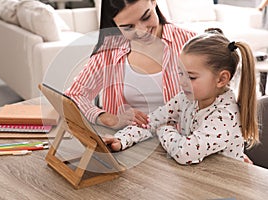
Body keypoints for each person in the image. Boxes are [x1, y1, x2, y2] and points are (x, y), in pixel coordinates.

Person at [103, 29, 259, 165]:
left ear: (221, 79)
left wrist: (165, 129)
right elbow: (151, 121)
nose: (181, 82)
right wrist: (122, 139)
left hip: (227, 186)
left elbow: (185, 152)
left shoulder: (225, 116)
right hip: (197, 179)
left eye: (191, 77)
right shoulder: (186, 99)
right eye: (180, 73)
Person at [65, 0, 196, 129]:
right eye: (128, 27)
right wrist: (108, 118)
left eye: (146, 17)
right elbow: (74, 96)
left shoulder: (190, 43)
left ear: (153, 2)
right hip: (127, 145)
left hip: (186, 145)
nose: (141, 31)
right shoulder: (109, 51)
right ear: (115, 24)